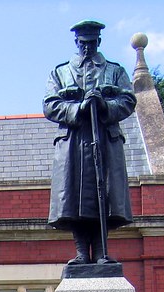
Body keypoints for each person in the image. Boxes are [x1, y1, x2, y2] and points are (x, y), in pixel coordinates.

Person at [44, 19, 136, 264]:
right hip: (74, 141)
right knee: (74, 198)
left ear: (99, 42)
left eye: (92, 42)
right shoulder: (61, 72)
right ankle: (82, 253)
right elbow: (50, 105)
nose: (87, 47)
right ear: (76, 42)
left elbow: (128, 101)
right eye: (83, 43)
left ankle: (102, 252)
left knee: (103, 196)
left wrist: (105, 105)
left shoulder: (115, 71)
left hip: (104, 139)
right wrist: (79, 108)